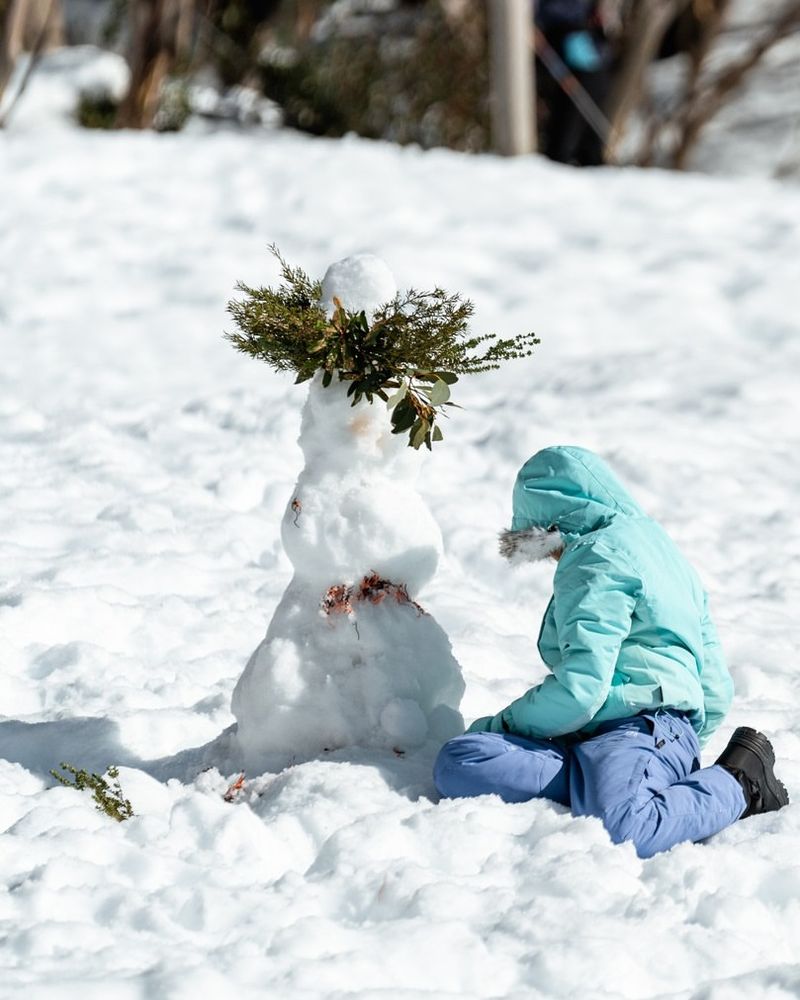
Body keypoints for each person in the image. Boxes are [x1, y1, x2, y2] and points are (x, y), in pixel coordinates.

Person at [434, 446, 789, 858]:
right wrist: (683, 749)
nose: (554, 560)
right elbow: (714, 687)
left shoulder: (596, 555)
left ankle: (739, 783)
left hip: (637, 730)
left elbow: (581, 691)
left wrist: (503, 725)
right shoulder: (663, 552)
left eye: (549, 550)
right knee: (462, 757)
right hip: (628, 735)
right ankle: (609, 785)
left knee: (622, 828)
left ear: (552, 524)